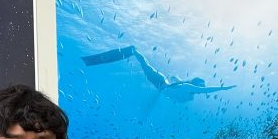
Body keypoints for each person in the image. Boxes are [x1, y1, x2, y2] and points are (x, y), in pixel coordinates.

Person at [82, 45, 236, 102]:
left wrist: (175, 80)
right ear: (197, 84)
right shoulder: (190, 88)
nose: (201, 89)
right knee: (145, 65)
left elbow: (177, 84)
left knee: (145, 66)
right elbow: (206, 90)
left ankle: (134, 52)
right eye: (201, 86)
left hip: (160, 85)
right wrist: (223, 88)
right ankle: (133, 50)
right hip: (160, 82)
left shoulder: (188, 92)